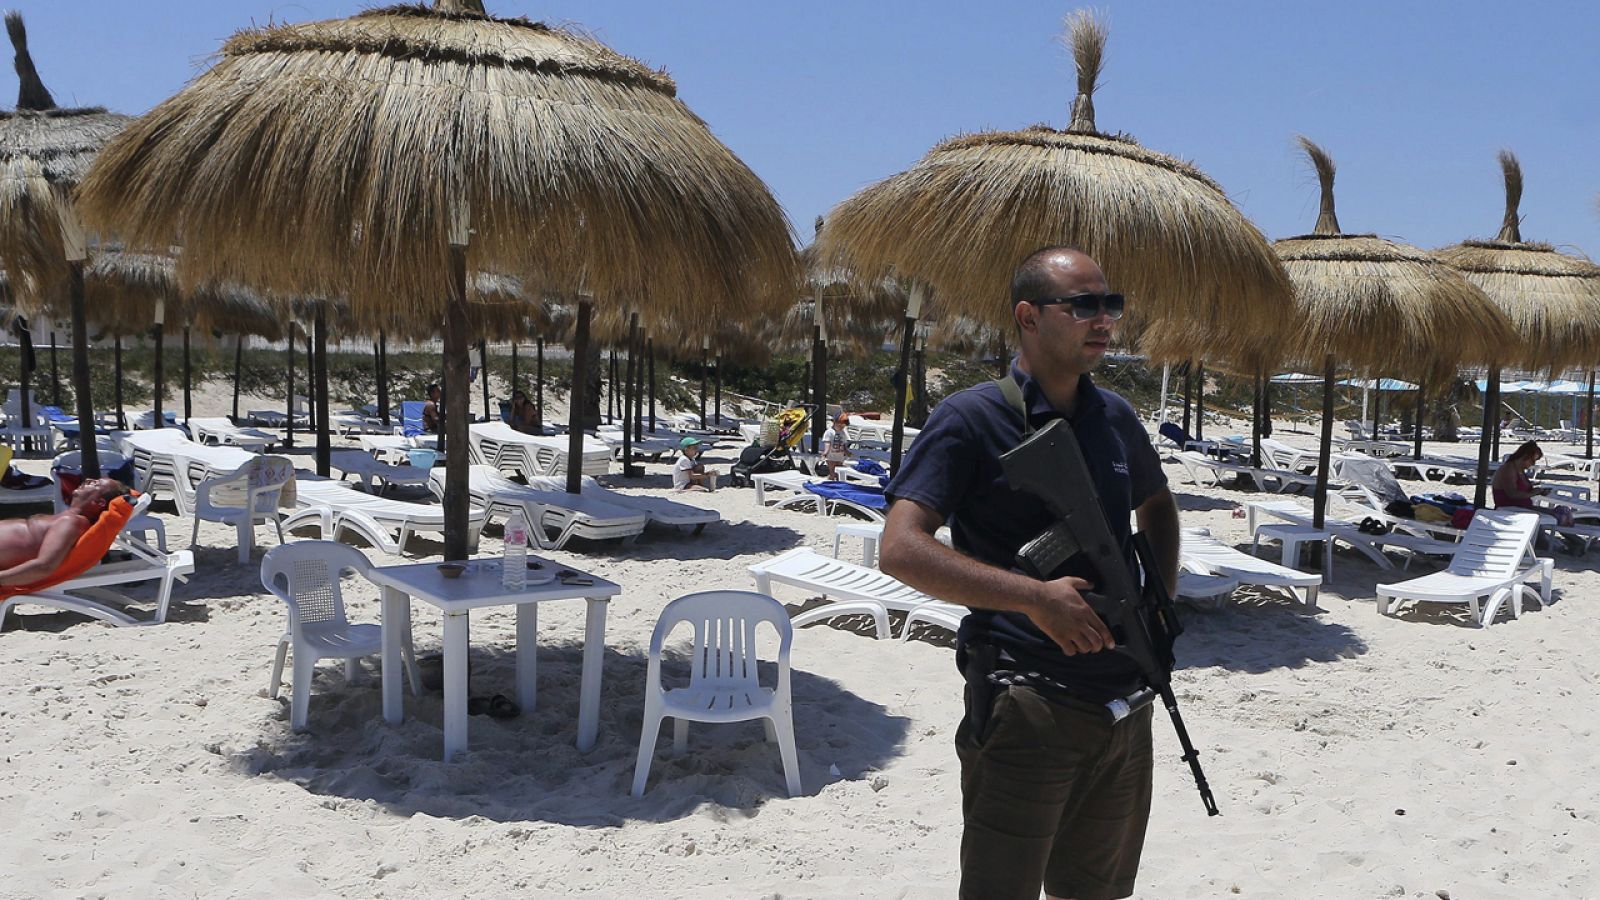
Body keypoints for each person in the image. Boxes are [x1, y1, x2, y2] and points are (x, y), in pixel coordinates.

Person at [879, 247, 1180, 900]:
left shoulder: (1116, 418)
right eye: (1083, 306)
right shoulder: (970, 419)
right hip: (1029, 705)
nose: (1104, 320)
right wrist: (1034, 599)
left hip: (1125, 706)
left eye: (1111, 305)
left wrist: (1160, 602)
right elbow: (901, 548)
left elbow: (1158, 505)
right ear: (1028, 316)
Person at [0, 478, 131, 587]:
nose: (88, 480)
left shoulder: (71, 522)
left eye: (96, 484)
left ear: (98, 502)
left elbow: (45, 566)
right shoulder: (68, 519)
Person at [820, 412, 851, 478]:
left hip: (840, 457)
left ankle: (836, 483)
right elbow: (827, 443)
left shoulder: (842, 432)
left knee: (838, 473)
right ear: (834, 423)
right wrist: (825, 452)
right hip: (831, 456)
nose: (841, 427)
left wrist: (847, 452)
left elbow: (843, 444)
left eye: (843, 426)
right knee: (833, 472)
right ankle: (830, 482)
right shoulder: (829, 432)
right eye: (840, 426)